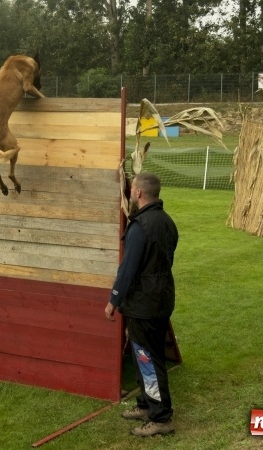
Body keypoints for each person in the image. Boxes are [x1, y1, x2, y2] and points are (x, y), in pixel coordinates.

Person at [105, 171, 178, 437]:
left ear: (138, 192)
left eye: (132, 188)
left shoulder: (140, 226)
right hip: (161, 298)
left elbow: (128, 269)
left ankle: (160, 417)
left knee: (148, 360)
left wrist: (114, 300)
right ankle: (146, 405)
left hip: (144, 304)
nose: (130, 192)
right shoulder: (167, 222)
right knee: (145, 355)